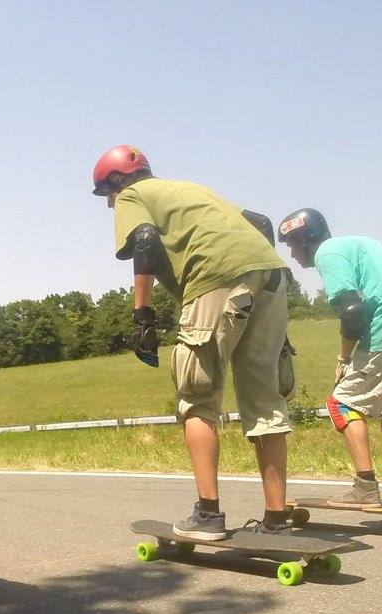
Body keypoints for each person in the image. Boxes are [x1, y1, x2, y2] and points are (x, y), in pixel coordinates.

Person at [92, 144, 295, 541]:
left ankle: (208, 515)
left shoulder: (132, 196)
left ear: (117, 182)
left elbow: (146, 239)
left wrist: (142, 316)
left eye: (106, 194)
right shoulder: (191, 190)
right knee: (266, 399)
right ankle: (276, 519)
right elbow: (261, 221)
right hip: (272, 275)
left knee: (197, 395)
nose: (108, 204)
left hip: (216, 277)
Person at [278, 209, 382, 507]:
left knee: (342, 403)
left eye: (292, 244)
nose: (292, 253)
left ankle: (365, 486)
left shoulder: (327, 253)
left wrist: (344, 359)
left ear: (306, 239)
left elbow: (353, 311)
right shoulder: (357, 243)